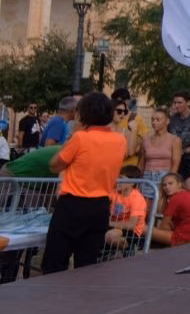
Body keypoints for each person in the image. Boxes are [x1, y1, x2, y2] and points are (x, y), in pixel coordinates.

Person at [41, 92, 127, 273]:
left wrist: (73, 136)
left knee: (55, 262)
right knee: (87, 265)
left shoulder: (80, 138)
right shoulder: (120, 140)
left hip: (73, 205)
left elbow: (54, 165)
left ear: (84, 114)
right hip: (101, 206)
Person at [151, 172, 190, 248]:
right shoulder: (189, 194)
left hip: (183, 239)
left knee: (143, 228)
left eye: (170, 183)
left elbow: (163, 227)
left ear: (179, 184)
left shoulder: (176, 199)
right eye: (164, 185)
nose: (167, 187)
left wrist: (162, 196)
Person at [105, 165, 149, 252]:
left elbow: (131, 225)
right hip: (116, 225)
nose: (117, 181)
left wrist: (108, 223)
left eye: (121, 178)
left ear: (132, 183)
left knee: (110, 236)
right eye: (117, 177)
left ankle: (128, 249)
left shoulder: (137, 198)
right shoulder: (114, 192)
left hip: (133, 232)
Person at [142, 108, 181, 185]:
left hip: (164, 175)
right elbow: (142, 162)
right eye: (152, 120)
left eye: (158, 120)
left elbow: (175, 164)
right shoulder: (146, 139)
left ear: (167, 121)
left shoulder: (175, 140)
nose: (154, 122)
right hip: (147, 176)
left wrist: (170, 181)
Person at [111, 92, 146, 171]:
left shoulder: (127, 130)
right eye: (119, 111)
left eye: (125, 112)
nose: (123, 114)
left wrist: (134, 130)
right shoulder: (101, 129)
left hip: (125, 170)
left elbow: (130, 152)